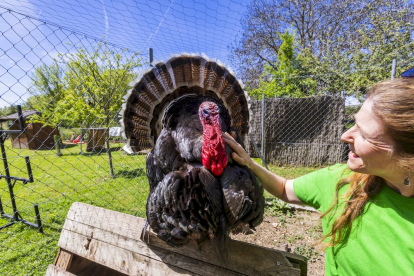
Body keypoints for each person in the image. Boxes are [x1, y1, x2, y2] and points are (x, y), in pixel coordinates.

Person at [223, 77, 414, 276]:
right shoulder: (340, 181)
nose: (345, 136)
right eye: (354, 123)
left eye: (364, 135)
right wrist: (250, 164)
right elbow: (285, 188)